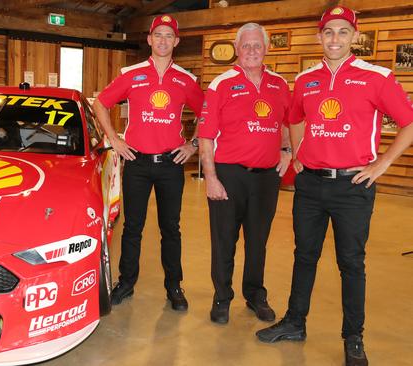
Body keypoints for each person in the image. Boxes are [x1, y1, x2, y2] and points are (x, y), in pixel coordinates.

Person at [256, 6, 413, 366]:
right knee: (304, 255)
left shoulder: (378, 77)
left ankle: (353, 337)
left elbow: (408, 122)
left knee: (351, 263)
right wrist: (298, 154)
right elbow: (294, 118)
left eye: (343, 32)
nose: (335, 39)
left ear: (355, 37)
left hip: (352, 188)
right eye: (329, 32)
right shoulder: (307, 79)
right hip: (311, 185)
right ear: (319, 37)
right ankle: (295, 322)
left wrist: (383, 163)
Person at [93, 14, 204, 311]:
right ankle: (126, 283)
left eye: (170, 36)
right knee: (133, 228)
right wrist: (114, 139)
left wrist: (192, 145)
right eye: (159, 35)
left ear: (176, 41)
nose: (164, 40)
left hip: (170, 164)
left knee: (171, 228)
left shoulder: (186, 79)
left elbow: (209, 114)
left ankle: (174, 286)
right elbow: (100, 103)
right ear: (150, 40)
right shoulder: (132, 74)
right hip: (138, 163)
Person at [197, 23, 292, 325]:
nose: (251, 50)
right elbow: (206, 136)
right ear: (237, 50)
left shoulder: (279, 84)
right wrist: (210, 177)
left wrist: (288, 152)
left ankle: (255, 295)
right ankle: (222, 297)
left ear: (266, 49)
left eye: (257, 45)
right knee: (224, 240)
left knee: (258, 240)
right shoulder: (221, 84)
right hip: (228, 175)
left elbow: (290, 121)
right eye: (246, 46)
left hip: (266, 177)